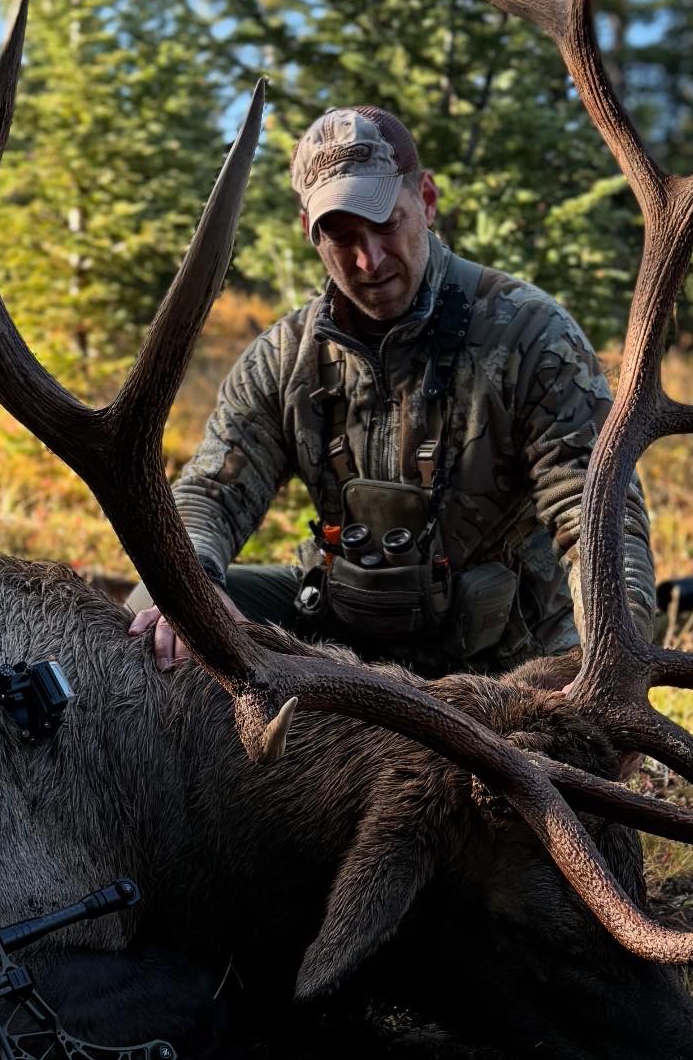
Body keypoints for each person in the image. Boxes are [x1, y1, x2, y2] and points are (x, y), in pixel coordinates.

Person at [128, 105, 656, 678]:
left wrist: (616, 655)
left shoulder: (529, 334)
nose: (368, 260)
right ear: (308, 230)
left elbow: (595, 510)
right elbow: (212, 491)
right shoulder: (288, 356)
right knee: (156, 615)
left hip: (504, 663)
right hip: (346, 640)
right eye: (342, 236)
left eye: (385, 223)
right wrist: (191, 588)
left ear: (425, 201)